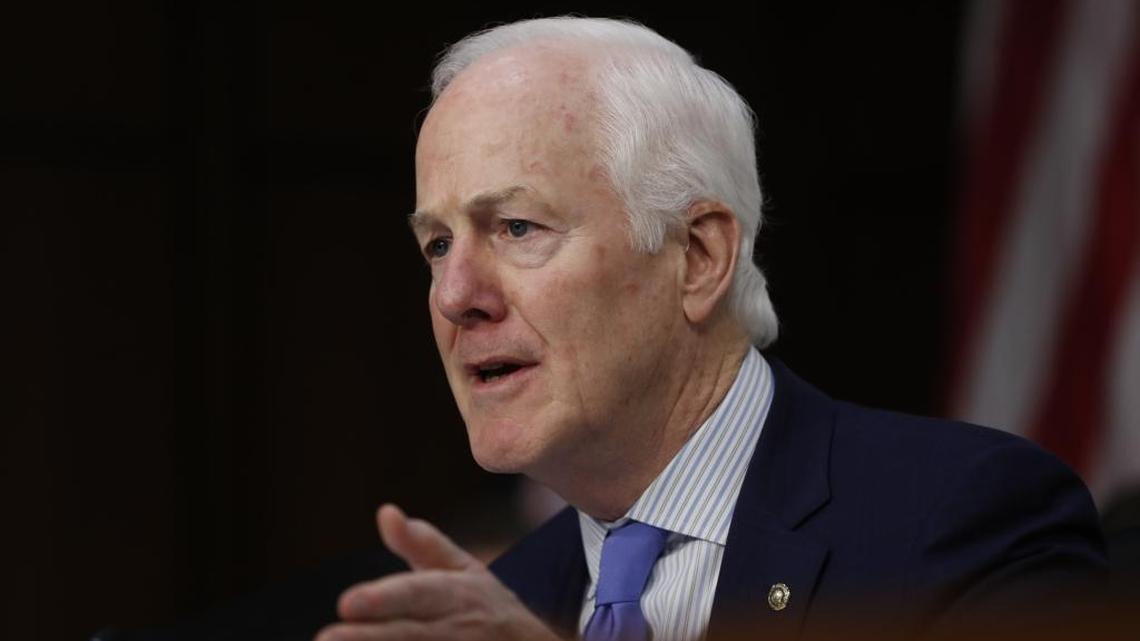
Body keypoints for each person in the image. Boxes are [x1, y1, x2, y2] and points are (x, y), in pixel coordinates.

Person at [315, 17, 1107, 641]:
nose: (455, 294)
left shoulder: (962, 523)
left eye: (518, 227)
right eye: (438, 243)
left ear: (698, 257)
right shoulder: (499, 602)